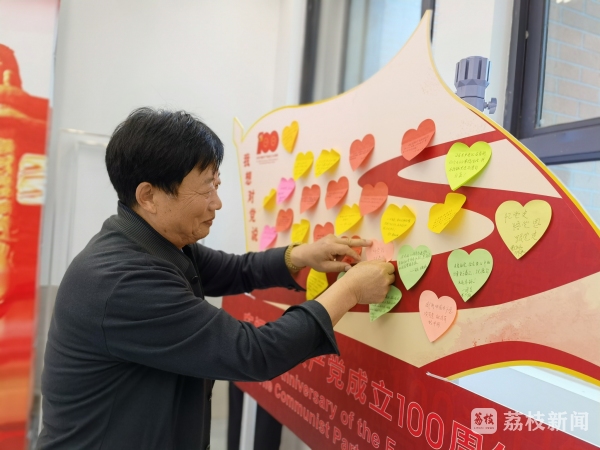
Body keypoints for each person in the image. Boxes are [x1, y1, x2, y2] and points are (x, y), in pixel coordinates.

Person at [37, 108, 395, 450]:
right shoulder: (123, 281)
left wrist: (301, 255)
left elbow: (234, 270)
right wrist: (350, 291)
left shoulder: (155, 243)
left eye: (217, 184)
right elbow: (253, 353)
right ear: (148, 196)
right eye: (206, 188)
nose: (218, 202)